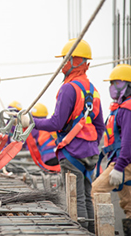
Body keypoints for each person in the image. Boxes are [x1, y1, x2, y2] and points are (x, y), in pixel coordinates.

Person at [31, 38, 104, 233]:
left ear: (75, 60)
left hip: (72, 153)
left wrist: (32, 122)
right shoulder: (92, 90)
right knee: (87, 197)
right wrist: (91, 147)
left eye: (66, 59)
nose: (63, 64)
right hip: (90, 153)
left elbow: (56, 123)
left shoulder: (68, 88)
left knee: (76, 199)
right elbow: (99, 126)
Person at [91, 64, 131, 235]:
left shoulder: (127, 109)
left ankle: (105, 231)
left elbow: (129, 141)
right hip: (122, 161)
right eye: (112, 83)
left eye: (117, 83)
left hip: (124, 163)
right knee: (129, 204)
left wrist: (119, 167)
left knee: (96, 190)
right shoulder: (120, 109)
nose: (112, 88)